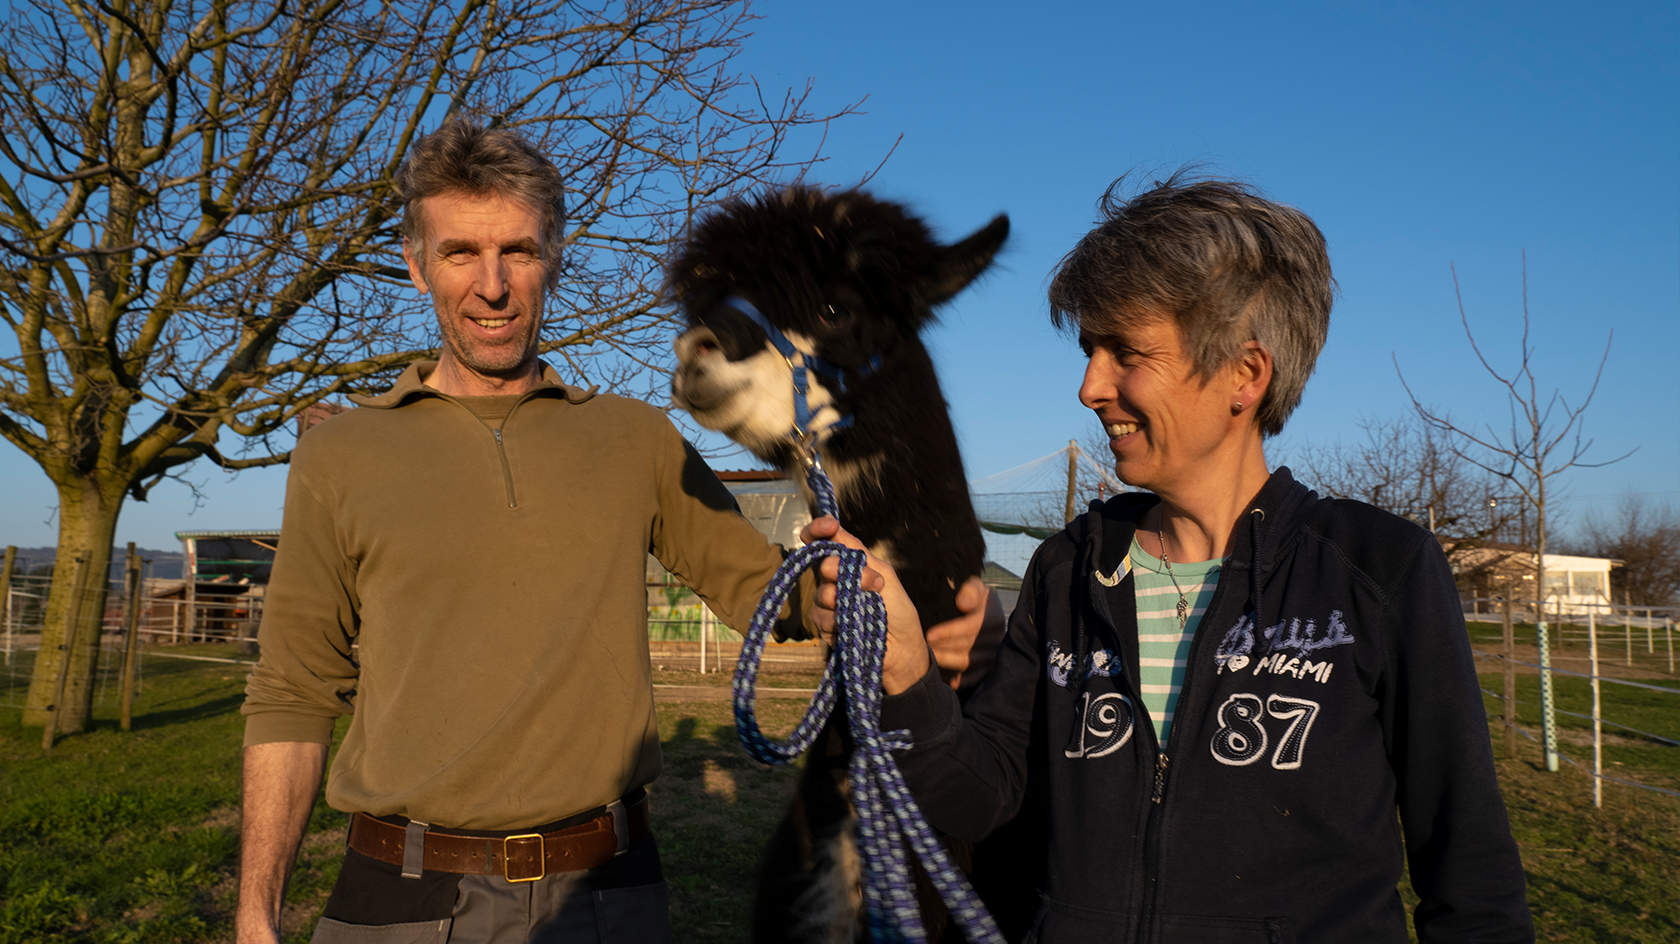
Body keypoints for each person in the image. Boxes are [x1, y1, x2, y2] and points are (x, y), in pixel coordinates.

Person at [235, 118, 994, 943]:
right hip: (402, 896)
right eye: (461, 253)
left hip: (608, 894)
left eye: (518, 251)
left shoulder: (635, 439)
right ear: (418, 267)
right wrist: (254, 913)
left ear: (552, 258)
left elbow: (767, 591)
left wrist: (894, 607)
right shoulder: (342, 454)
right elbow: (293, 693)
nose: (492, 285)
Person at [807, 175, 1534, 942]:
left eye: (1126, 351)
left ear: (1246, 375)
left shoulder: (1379, 572)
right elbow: (978, 797)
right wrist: (904, 670)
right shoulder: (1067, 571)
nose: (1090, 385)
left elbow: (1471, 875)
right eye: (1090, 349)